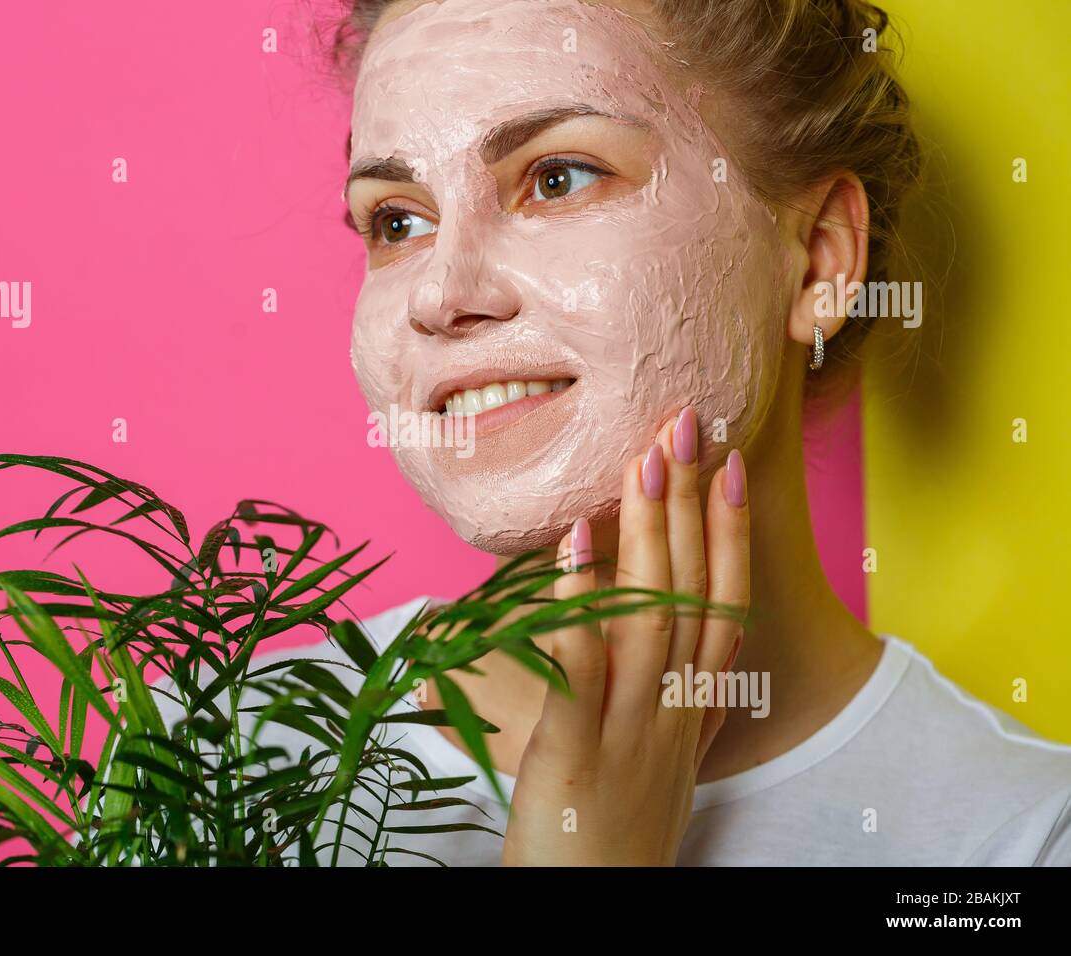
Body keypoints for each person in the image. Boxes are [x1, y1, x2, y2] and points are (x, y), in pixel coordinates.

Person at [186, 0, 1071, 866]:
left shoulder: (1023, 839)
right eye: (398, 221)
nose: (439, 296)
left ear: (820, 258)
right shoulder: (201, 764)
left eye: (557, 176)